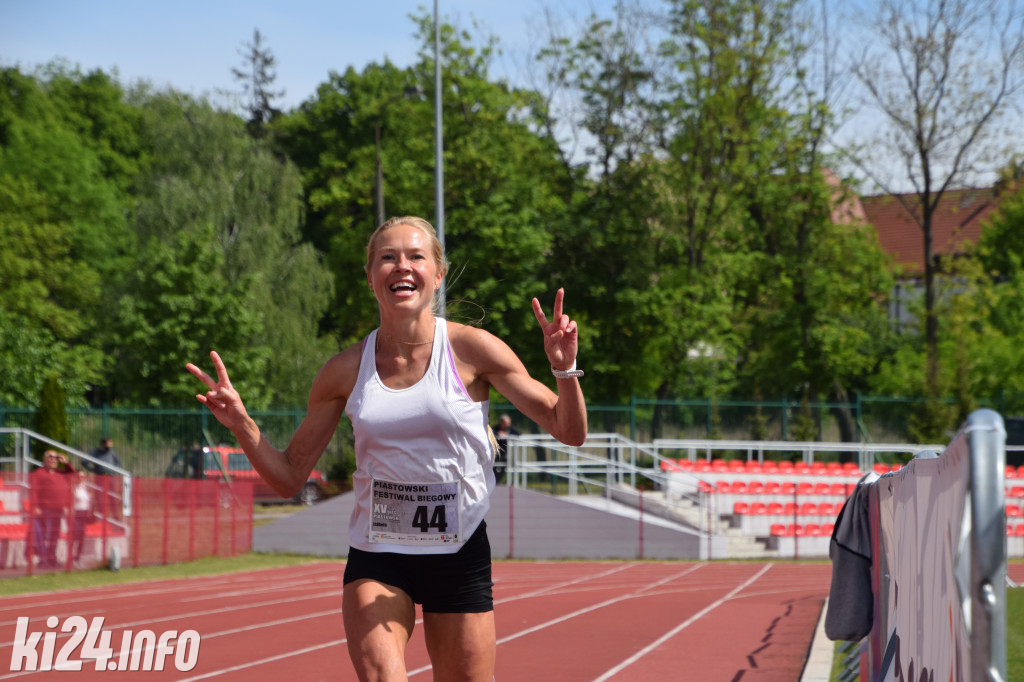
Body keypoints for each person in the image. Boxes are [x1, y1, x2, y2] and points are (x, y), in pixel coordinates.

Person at [186, 216, 587, 681]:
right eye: (388, 257)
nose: (402, 266)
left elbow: (568, 430)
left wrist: (565, 369)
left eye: (416, 256)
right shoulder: (344, 370)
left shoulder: (474, 350)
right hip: (378, 555)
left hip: (459, 553)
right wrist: (241, 424)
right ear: (371, 274)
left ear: (437, 274)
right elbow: (290, 475)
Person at [28, 450, 75, 568]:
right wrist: (35, 506)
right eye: (50, 457)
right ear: (44, 459)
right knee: (43, 535)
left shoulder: (60, 472)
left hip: (58, 510)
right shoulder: (39, 473)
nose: (53, 459)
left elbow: (73, 474)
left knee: (54, 535)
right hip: (44, 509)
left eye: (56, 457)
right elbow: (34, 490)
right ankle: (43, 560)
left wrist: (66, 463)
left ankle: (52, 558)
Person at [71, 470, 94, 564]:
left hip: (84, 513)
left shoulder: (86, 488)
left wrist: (89, 510)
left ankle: (78, 557)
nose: (81, 478)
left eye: (83, 476)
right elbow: (71, 502)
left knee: (81, 536)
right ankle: (71, 556)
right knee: (75, 535)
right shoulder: (73, 488)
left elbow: (89, 501)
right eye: (80, 476)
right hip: (76, 513)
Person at [491, 414, 520, 484]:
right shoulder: (495, 428)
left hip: (505, 453)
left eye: (509, 423)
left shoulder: (510, 429)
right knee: (493, 466)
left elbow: (518, 435)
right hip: (495, 452)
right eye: (507, 423)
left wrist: (507, 436)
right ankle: (494, 480)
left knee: (505, 466)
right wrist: (498, 435)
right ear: (501, 422)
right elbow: (491, 435)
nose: (509, 424)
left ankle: (498, 480)